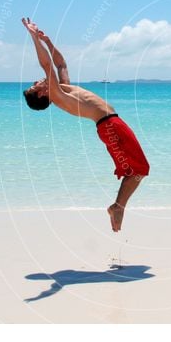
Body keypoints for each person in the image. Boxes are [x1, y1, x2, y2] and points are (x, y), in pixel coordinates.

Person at [21, 17, 149, 232]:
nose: (36, 82)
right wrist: (34, 38)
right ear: (43, 94)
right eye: (35, 87)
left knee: (136, 169)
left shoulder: (62, 88)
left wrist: (48, 41)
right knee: (139, 170)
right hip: (109, 126)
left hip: (112, 124)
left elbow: (60, 64)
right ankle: (118, 207)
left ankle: (118, 206)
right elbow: (47, 65)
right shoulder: (56, 93)